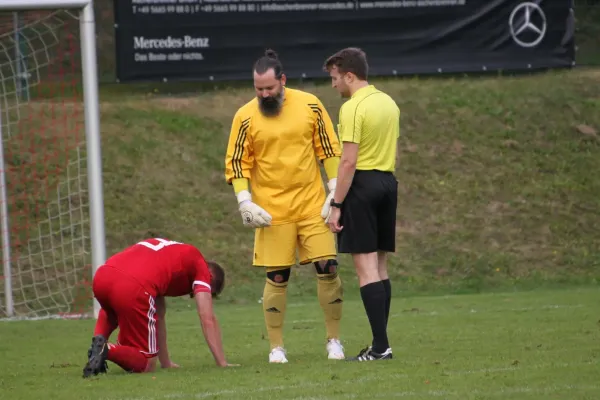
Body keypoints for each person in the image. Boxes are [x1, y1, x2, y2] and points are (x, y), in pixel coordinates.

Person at [224, 49, 345, 363]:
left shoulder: (310, 105)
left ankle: (334, 340)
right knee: (277, 277)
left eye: (270, 88)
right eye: (258, 89)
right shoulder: (245, 116)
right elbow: (237, 162)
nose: (264, 94)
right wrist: (244, 201)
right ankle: (276, 347)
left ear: (283, 80)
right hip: (272, 211)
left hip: (311, 204)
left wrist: (334, 191)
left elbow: (329, 149)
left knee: (328, 268)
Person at [321, 47, 400, 361]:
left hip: (363, 186)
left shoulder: (353, 108)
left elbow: (348, 162)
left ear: (349, 75)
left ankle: (381, 347)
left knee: (366, 270)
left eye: (335, 78)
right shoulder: (388, 102)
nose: (334, 85)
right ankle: (380, 343)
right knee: (380, 268)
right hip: (387, 182)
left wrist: (336, 203)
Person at [82, 238, 237, 378]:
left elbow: (158, 314)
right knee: (147, 362)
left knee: (111, 311)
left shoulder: (172, 255)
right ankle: (106, 349)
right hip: (133, 286)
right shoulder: (201, 268)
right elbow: (207, 317)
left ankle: (96, 348)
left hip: (104, 274)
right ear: (210, 280)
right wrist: (222, 362)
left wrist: (166, 362)